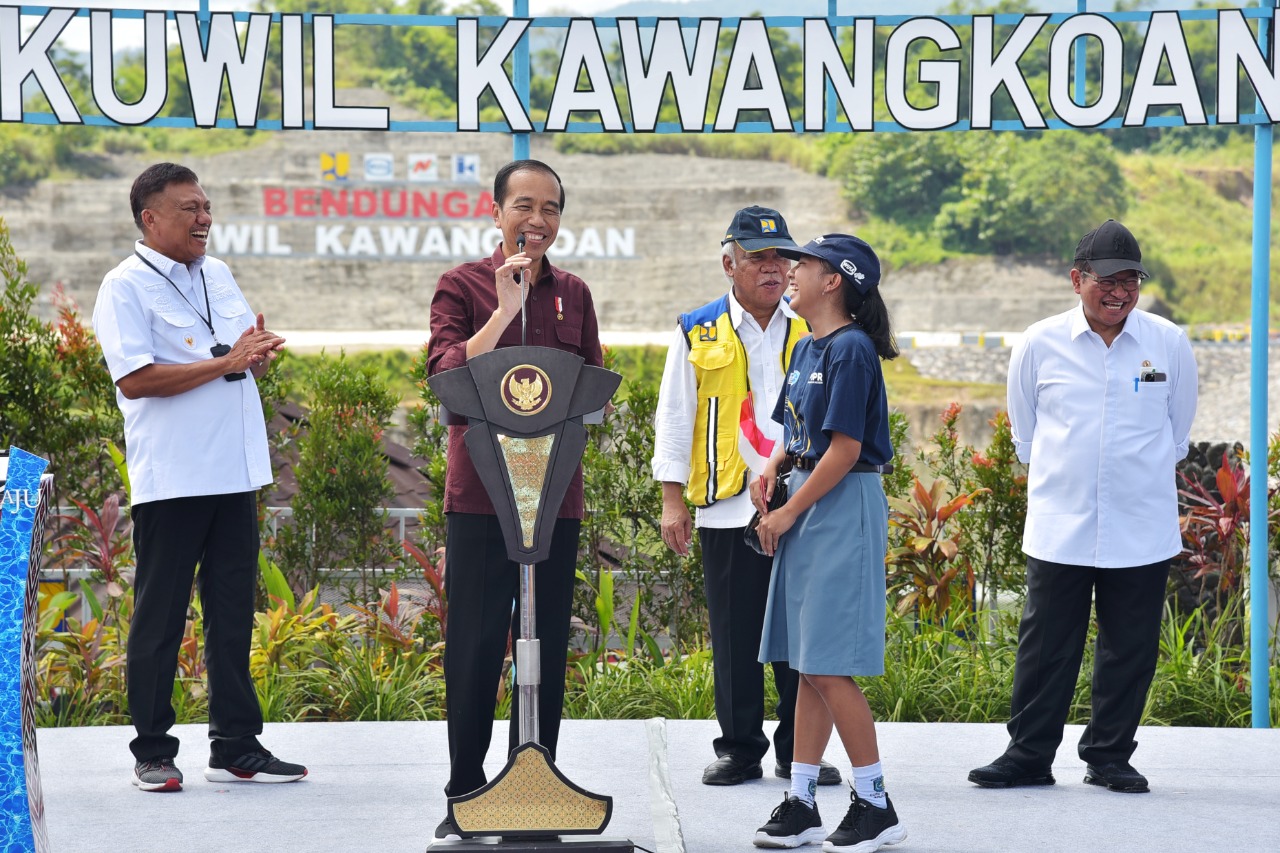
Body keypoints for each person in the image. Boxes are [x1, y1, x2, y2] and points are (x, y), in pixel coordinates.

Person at [92, 163, 305, 792]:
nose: (204, 218)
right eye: (190, 208)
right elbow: (135, 379)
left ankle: (236, 745)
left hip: (235, 470)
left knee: (233, 613)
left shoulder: (216, 274)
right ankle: (153, 751)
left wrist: (253, 359)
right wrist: (227, 363)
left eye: (207, 206)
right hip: (175, 476)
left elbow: (236, 358)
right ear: (150, 218)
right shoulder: (123, 286)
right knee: (159, 617)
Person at [968, 220, 1198, 794]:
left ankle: (1109, 756)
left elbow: (1177, 433)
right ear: (1076, 280)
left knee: (1130, 648)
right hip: (1061, 523)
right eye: (1106, 279)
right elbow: (1026, 435)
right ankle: (1027, 755)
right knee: (1045, 647)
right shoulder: (1039, 342)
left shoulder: (1167, 343)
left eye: (1130, 280)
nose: (1119, 291)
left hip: (1140, 525)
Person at [426, 159, 602, 840]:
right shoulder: (462, 285)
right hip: (481, 496)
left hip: (553, 496)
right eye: (524, 206)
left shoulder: (575, 293)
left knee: (546, 645)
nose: (538, 220)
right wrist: (503, 309)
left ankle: (533, 787)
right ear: (496, 211)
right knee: (473, 646)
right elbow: (446, 376)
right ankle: (465, 793)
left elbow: (589, 382)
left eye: (551, 208)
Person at [652, 206, 840, 788]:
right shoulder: (697, 329)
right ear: (729, 262)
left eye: (782, 257)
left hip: (797, 503)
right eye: (758, 257)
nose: (773, 268)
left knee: (798, 634)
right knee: (735, 634)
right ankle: (738, 749)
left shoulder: (811, 329)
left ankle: (796, 750)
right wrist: (672, 500)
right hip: (727, 506)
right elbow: (675, 417)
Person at [750, 234, 906, 852]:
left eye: (803, 264)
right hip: (811, 502)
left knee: (826, 664)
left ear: (834, 280)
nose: (790, 271)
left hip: (841, 505)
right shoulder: (808, 346)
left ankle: (874, 802)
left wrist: (786, 510)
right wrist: (770, 468)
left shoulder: (852, 350)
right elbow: (797, 432)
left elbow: (843, 449)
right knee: (807, 665)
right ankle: (803, 799)